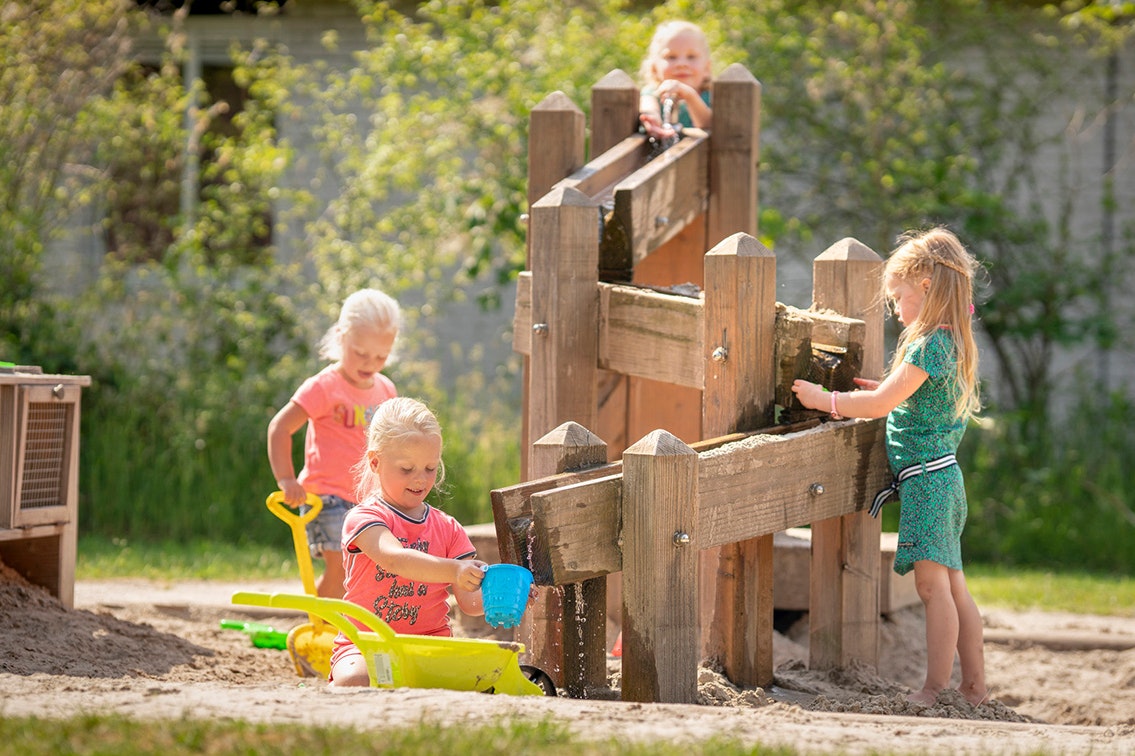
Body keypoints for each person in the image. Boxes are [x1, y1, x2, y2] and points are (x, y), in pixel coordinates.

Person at [791, 227, 988, 708]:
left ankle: (936, 687)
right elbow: (903, 396)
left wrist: (828, 399)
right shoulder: (950, 342)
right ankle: (975, 687)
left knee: (931, 588)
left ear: (925, 285)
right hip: (945, 481)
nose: (896, 309)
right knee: (953, 586)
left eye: (899, 296)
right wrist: (882, 389)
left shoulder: (927, 346)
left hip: (928, 484)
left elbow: (880, 405)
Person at [328, 396, 487, 688]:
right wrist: (454, 570)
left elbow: (469, 602)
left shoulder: (448, 528)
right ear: (375, 462)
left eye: (430, 468)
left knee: (478, 680)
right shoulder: (364, 518)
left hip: (430, 645)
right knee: (357, 680)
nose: (421, 479)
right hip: (366, 643)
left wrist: (502, 599)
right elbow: (394, 559)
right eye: (406, 469)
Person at [266, 288, 401, 599]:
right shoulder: (324, 387)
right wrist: (286, 479)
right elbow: (280, 428)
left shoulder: (386, 389)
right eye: (361, 353)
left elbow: (391, 443)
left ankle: (341, 626)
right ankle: (320, 624)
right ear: (341, 337)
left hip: (368, 499)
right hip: (325, 497)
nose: (371, 363)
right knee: (341, 567)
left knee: (369, 570)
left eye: (381, 356)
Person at [638, 20, 714, 142]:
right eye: (671, 57)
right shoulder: (653, 94)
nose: (681, 64)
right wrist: (652, 119)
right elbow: (648, 107)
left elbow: (708, 124)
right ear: (654, 68)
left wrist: (690, 96)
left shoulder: (712, 97)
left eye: (691, 57)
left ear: (707, 68)